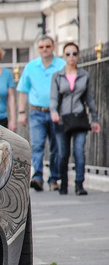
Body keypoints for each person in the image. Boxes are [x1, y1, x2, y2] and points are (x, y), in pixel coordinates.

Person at [49, 42, 101, 195]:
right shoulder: (57, 76)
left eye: (74, 54)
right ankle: (64, 183)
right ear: (63, 57)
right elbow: (53, 97)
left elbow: (90, 99)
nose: (71, 57)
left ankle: (79, 184)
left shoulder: (84, 75)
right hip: (62, 119)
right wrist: (54, 111)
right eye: (68, 54)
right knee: (63, 153)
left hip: (79, 118)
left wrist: (95, 119)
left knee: (79, 151)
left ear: (78, 56)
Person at [17, 36, 65, 192]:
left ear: (53, 47)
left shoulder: (61, 64)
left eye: (48, 46)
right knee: (37, 146)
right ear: (38, 49)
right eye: (41, 47)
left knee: (56, 147)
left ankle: (53, 179)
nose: (45, 49)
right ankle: (37, 177)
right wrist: (21, 112)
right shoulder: (31, 67)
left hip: (56, 112)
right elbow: (23, 91)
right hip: (36, 112)